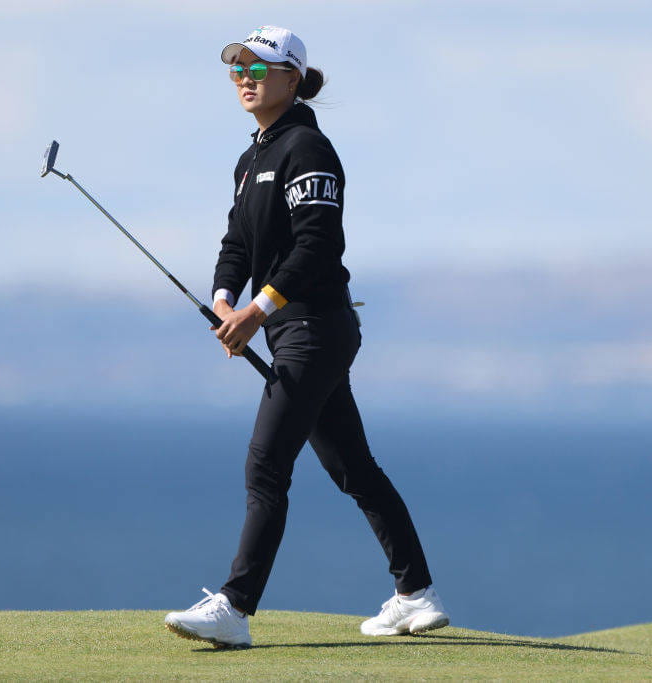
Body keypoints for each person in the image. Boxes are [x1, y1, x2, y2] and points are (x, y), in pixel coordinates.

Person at [163, 26, 449, 649]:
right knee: (353, 469)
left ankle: (235, 608)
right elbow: (237, 245)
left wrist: (258, 313)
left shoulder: (307, 149)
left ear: (291, 79)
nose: (246, 78)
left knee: (266, 465)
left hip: (316, 329)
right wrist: (223, 303)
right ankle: (416, 594)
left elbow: (318, 247)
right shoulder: (252, 158)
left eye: (260, 70)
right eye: (239, 69)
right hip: (292, 329)